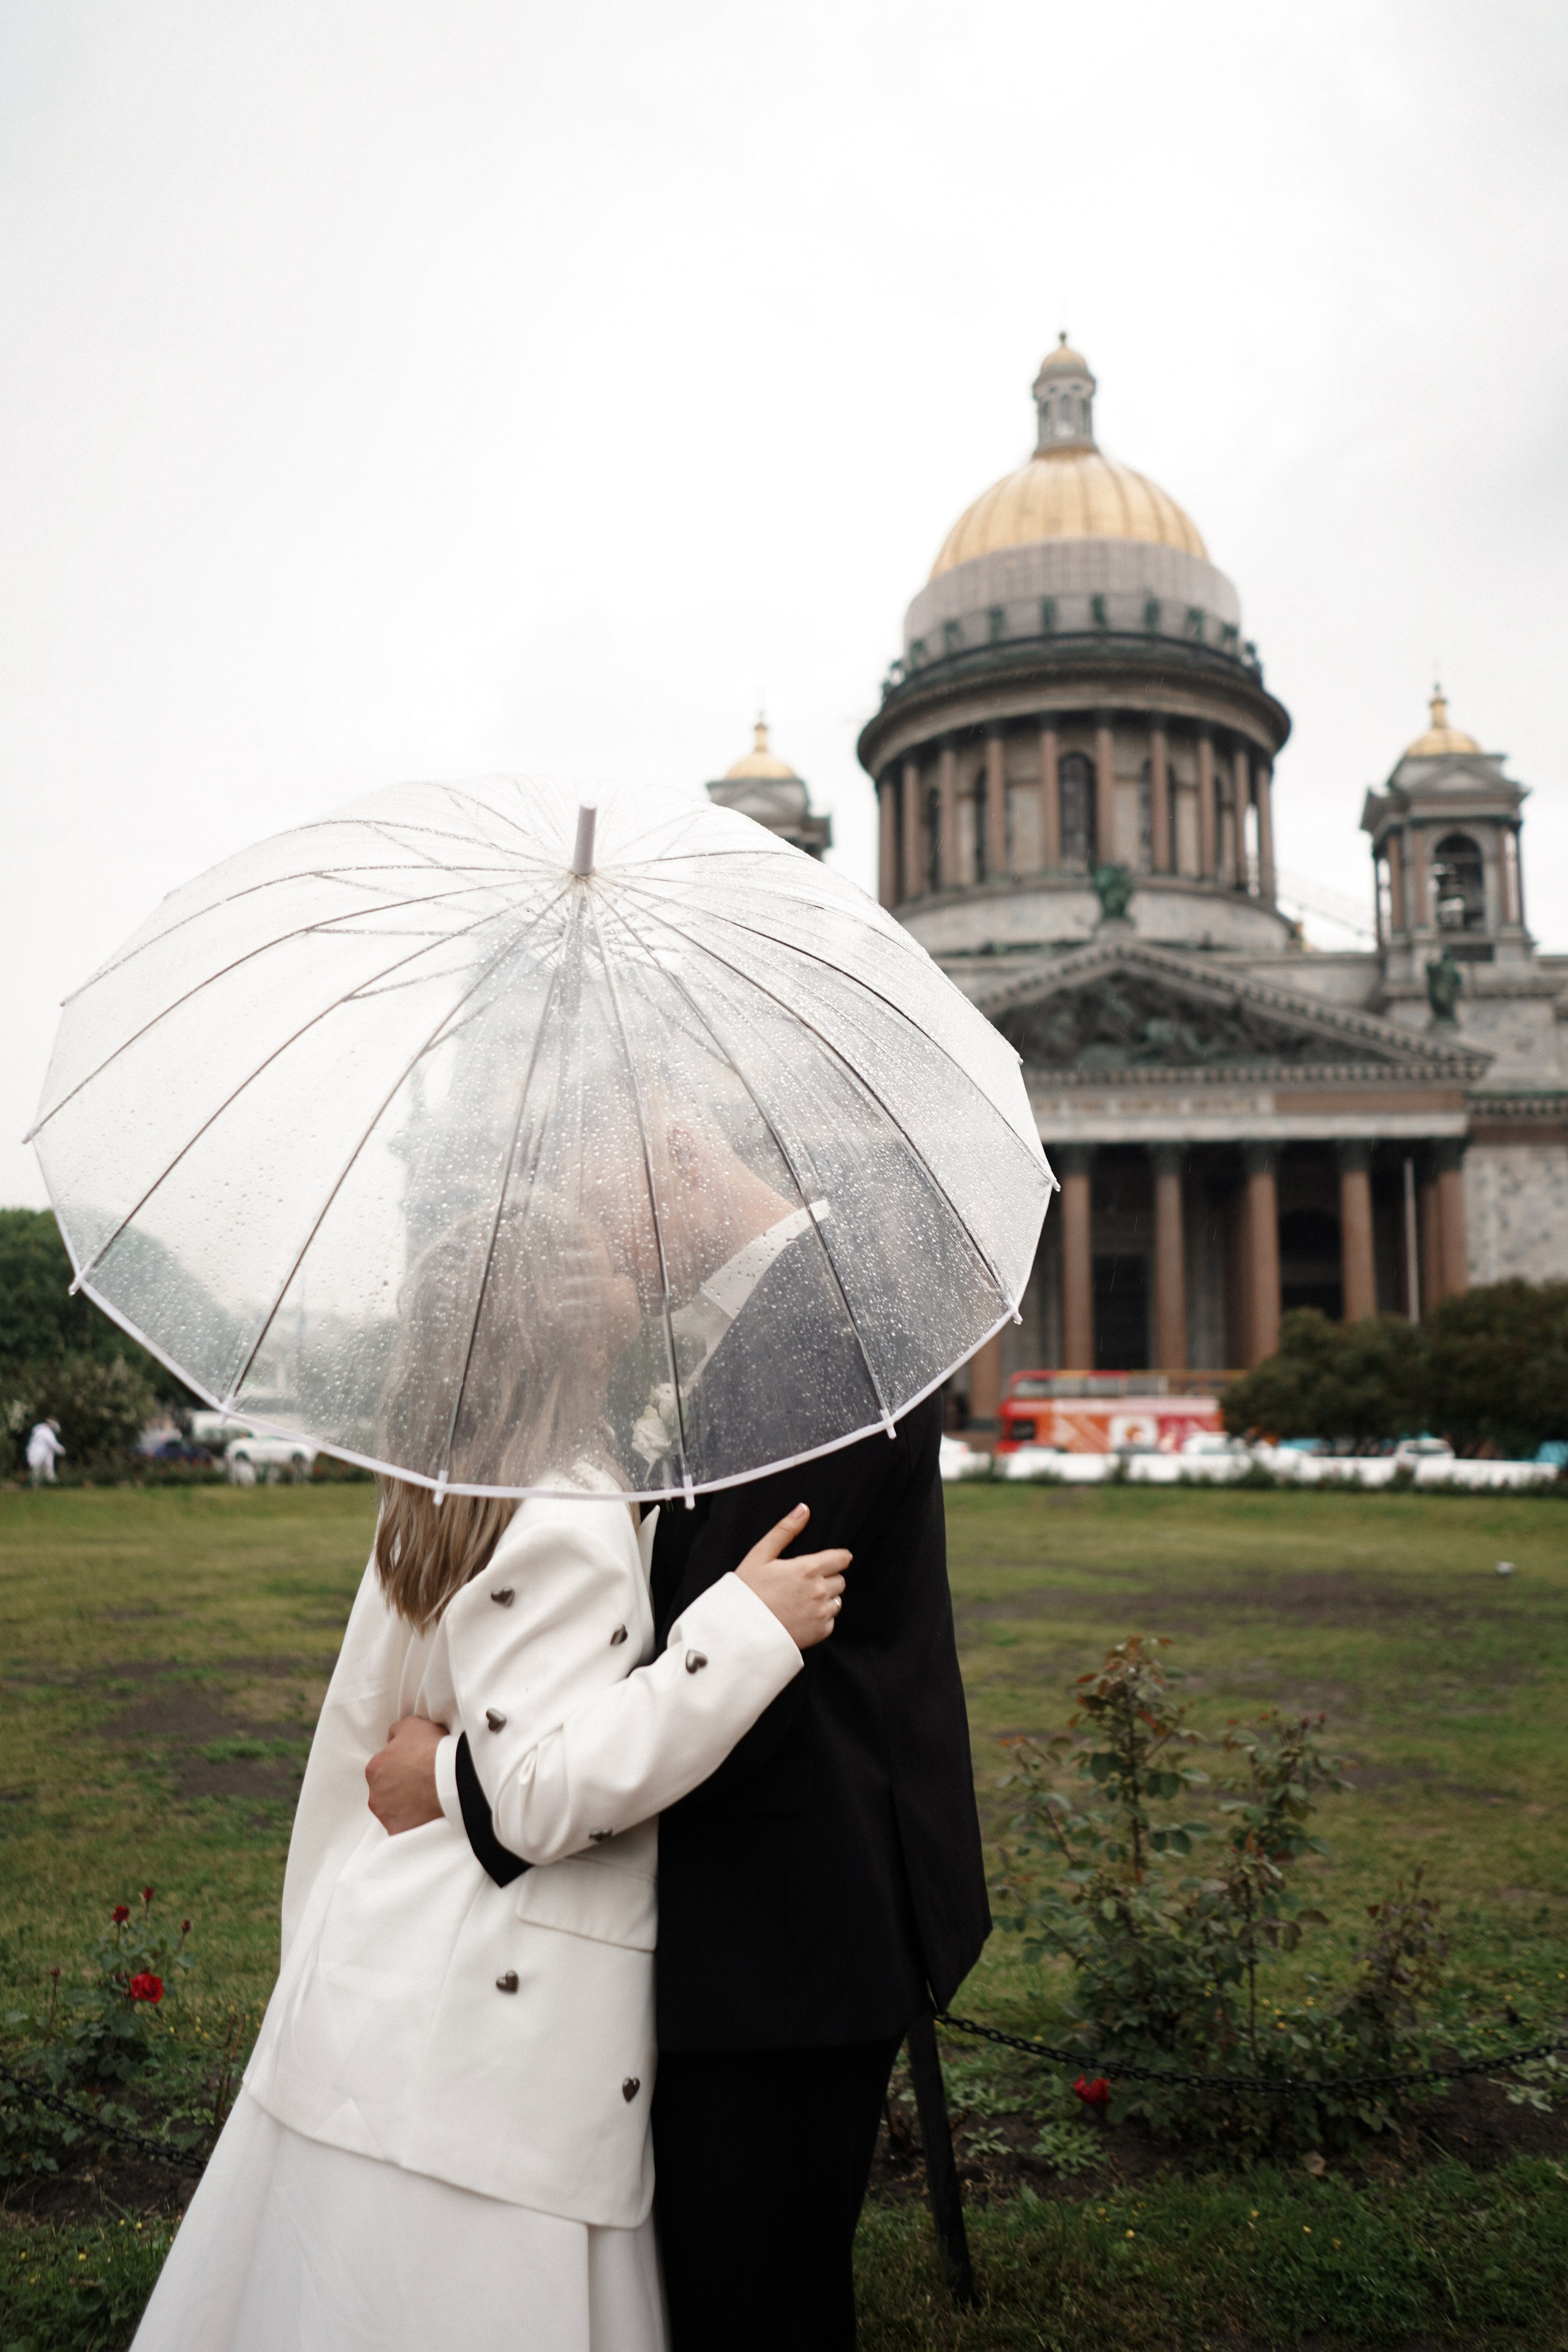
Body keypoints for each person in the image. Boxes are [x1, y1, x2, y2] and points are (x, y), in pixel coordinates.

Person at [130, 1204, 852, 2352]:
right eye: (603, 1265)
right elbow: (537, 1794)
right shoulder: (566, 1508)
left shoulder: (441, 1489)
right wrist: (741, 1638)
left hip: (385, 1945)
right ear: (568, 1322)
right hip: (497, 2006)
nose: (630, 1276)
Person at [379, 1138, 990, 2350]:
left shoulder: (822, 1330)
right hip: (763, 1918)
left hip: (782, 1925)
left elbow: (743, 1671)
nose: (580, 1224)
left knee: (750, 2301)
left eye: (587, 1176)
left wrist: (454, 1781)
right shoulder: (777, 1317)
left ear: (665, 1151)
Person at [26, 1418, 64, 1485]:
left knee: (39, 1471)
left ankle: (40, 1485)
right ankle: (50, 1484)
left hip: (36, 1453)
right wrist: (62, 1450)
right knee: (40, 1472)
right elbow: (53, 1444)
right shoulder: (47, 1432)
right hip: (39, 1454)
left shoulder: (39, 1429)